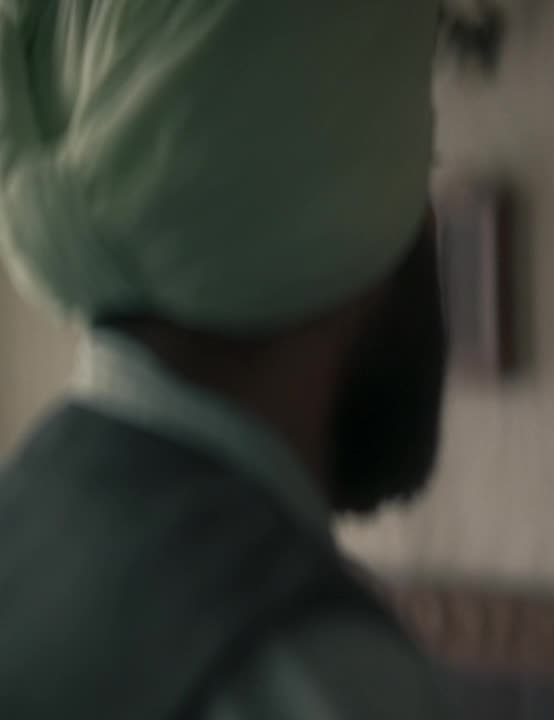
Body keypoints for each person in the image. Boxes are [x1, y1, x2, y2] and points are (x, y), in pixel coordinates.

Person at [0, 1, 451, 717]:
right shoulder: (312, 674)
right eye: (414, 175)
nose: (429, 224)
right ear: (330, 218)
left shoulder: (24, 528)